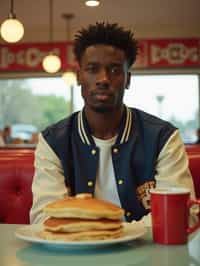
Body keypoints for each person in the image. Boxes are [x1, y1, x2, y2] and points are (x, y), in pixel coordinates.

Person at [30, 22, 195, 224]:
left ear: (128, 80)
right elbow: (43, 217)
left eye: (115, 70)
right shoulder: (53, 141)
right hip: (76, 254)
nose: (103, 79)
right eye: (92, 69)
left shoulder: (162, 138)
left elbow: (180, 214)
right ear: (79, 76)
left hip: (147, 253)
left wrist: (113, 235)